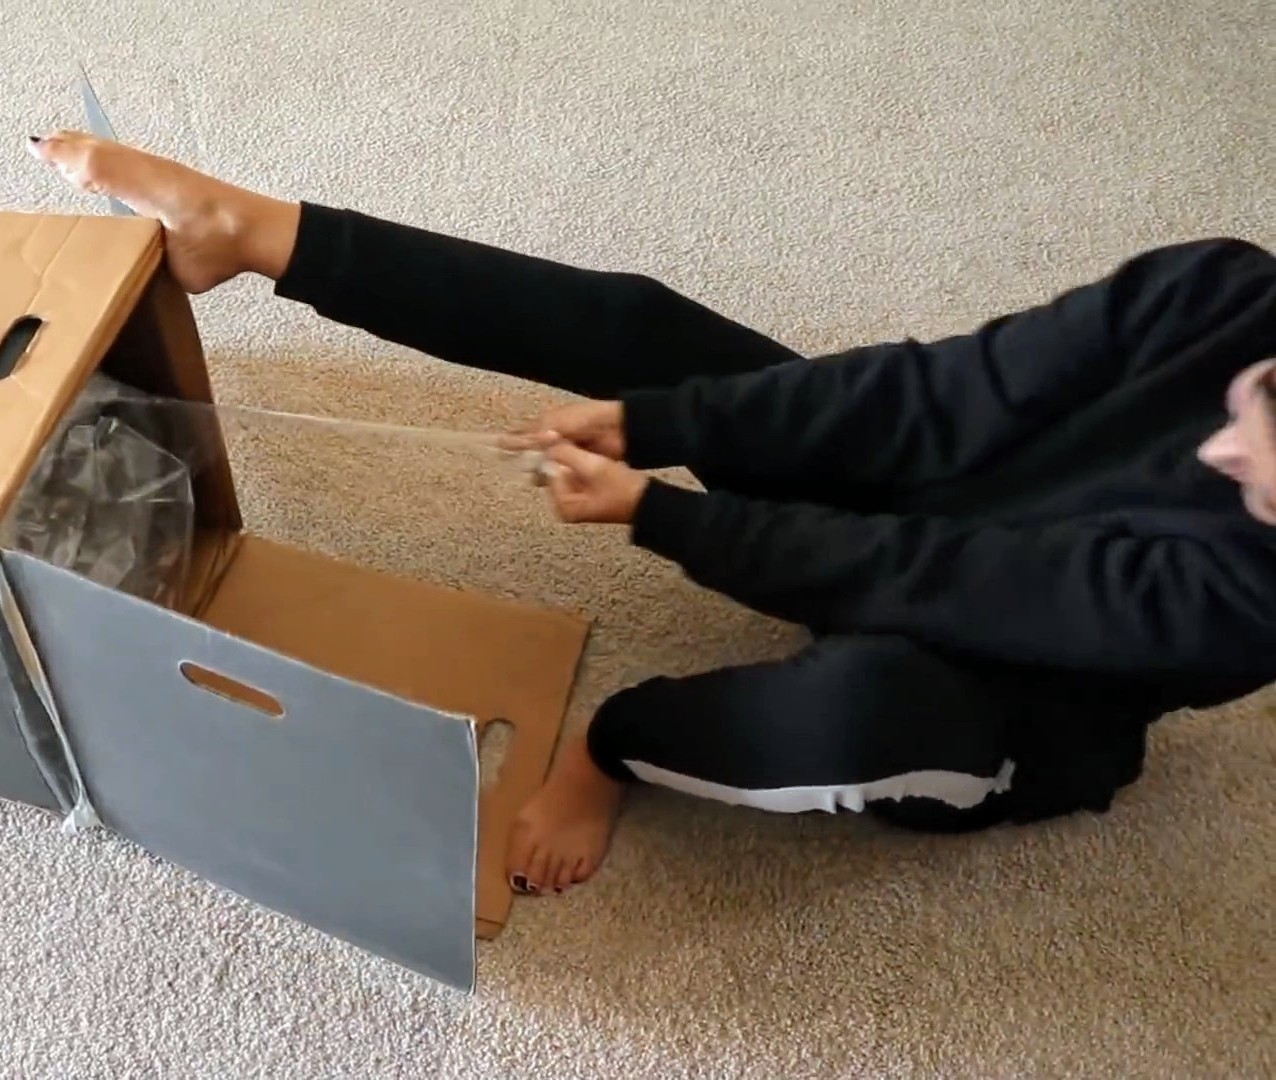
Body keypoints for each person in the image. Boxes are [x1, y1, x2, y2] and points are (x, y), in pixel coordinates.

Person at [26, 131, 1276, 898]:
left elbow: (929, 580)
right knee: (645, 334)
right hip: (940, 512)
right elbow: (936, 394)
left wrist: (662, 515)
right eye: (1256, 400)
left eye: (1258, 472)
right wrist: (665, 423)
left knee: (853, 714)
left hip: (1014, 682)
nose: (1219, 443)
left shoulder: (1248, 606)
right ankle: (251, 233)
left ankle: (615, 750)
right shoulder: (1226, 297)